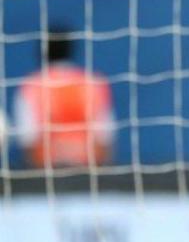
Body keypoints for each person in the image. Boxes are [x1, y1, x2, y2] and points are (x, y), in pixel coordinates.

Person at [14, 33, 115, 169]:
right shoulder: (93, 83)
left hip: (45, 172)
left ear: (41, 51)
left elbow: (27, 138)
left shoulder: (31, 86)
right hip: (88, 171)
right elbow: (106, 138)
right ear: (71, 49)